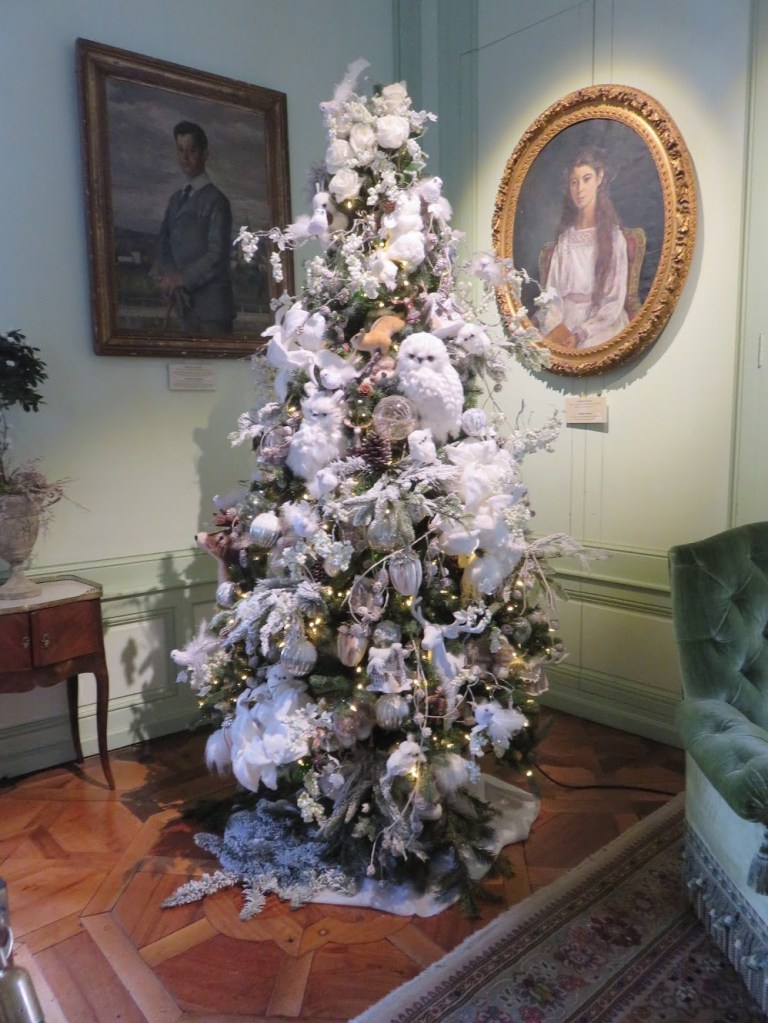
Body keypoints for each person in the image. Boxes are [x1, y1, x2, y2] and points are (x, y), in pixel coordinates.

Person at [537, 147, 629, 350]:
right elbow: (553, 295)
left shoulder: (614, 238)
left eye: (586, 179)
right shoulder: (565, 240)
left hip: (599, 323)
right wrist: (556, 327)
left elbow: (613, 301)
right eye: (574, 182)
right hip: (564, 320)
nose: (580, 189)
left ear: (599, 178)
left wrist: (581, 333)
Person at [155, 121, 236, 334]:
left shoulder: (217, 201)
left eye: (191, 150)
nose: (185, 157)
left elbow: (217, 255)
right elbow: (163, 243)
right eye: (180, 150)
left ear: (204, 153)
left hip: (212, 311)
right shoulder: (175, 200)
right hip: (184, 308)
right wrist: (169, 275)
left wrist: (181, 279)